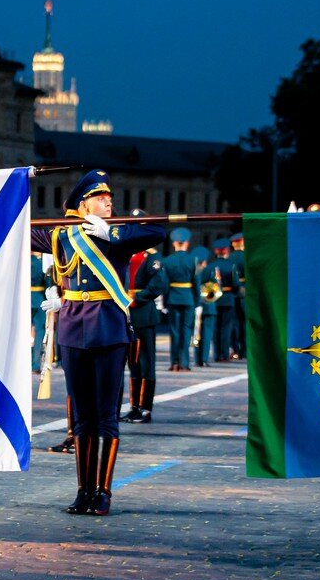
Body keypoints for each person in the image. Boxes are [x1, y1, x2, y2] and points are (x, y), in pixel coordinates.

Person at [31, 169, 165, 516]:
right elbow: (19, 229)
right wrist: (15, 183)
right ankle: (82, 491)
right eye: (100, 197)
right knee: (82, 418)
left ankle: (102, 492)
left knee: (106, 415)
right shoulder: (63, 234)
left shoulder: (116, 232)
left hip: (108, 329)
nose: (109, 201)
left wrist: (114, 234)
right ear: (82, 203)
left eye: (109, 197)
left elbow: (157, 231)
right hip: (74, 329)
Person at [121, 211, 166, 423]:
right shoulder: (126, 252)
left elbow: (159, 284)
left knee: (147, 362)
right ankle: (134, 406)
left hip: (143, 313)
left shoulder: (152, 256)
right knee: (133, 363)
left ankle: (146, 409)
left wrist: (137, 297)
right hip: (126, 313)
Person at [162, 227, 198, 373]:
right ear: (187, 243)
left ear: (174, 243)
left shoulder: (167, 261)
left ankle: (174, 362)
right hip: (188, 299)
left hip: (173, 298)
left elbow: (165, 284)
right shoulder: (193, 260)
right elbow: (196, 282)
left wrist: (165, 301)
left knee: (174, 331)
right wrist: (197, 302)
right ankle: (184, 363)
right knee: (186, 331)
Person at [206, 238, 239, 363]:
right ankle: (224, 355)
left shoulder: (210, 266)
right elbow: (236, 284)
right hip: (228, 298)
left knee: (215, 328)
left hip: (213, 299)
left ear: (216, 251)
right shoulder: (231, 266)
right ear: (226, 250)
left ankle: (216, 355)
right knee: (226, 328)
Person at [192, 245, 216, 368]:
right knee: (206, 335)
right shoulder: (210, 271)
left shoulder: (193, 271)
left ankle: (197, 359)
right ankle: (204, 359)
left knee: (196, 334)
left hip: (196, 305)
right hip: (208, 306)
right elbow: (216, 288)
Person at [229, 232, 246, 359]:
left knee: (234, 323)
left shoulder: (229, 258)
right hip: (246, 292)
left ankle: (235, 349)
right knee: (245, 322)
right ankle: (245, 349)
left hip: (231, 292)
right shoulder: (248, 256)